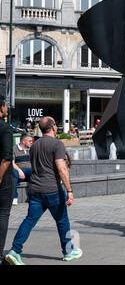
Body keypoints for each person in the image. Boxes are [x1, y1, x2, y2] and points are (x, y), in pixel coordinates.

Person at [5, 116, 82, 265]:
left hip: (34, 190)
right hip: (52, 189)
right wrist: (69, 190)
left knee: (29, 220)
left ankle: (15, 251)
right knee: (62, 221)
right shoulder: (57, 144)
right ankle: (68, 252)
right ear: (53, 127)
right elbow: (61, 168)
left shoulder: (34, 145)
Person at [0, 95, 13, 264]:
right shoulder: (5, 129)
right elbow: (7, 158)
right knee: (2, 215)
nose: (7, 108)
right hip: (3, 182)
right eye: (6, 105)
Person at [12, 133, 33, 205]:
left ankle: (33, 197)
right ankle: (14, 198)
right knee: (13, 173)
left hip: (30, 172)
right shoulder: (14, 149)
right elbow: (12, 163)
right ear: (23, 141)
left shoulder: (32, 149)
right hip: (18, 171)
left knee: (36, 172)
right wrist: (19, 170)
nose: (31, 142)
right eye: (30, 141)